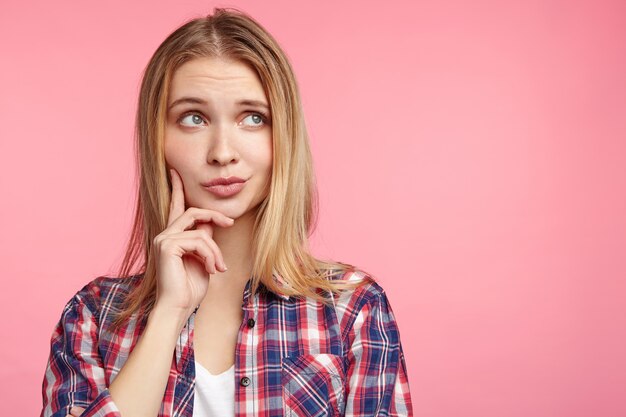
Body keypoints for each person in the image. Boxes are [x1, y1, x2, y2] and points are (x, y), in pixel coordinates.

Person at [40, 8, 413, 417]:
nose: (222, 153)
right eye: (193, 118)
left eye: (253, 118)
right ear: (157, 138)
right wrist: (168, 314)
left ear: (283, 135)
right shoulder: (92, 318)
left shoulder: (353, 310)